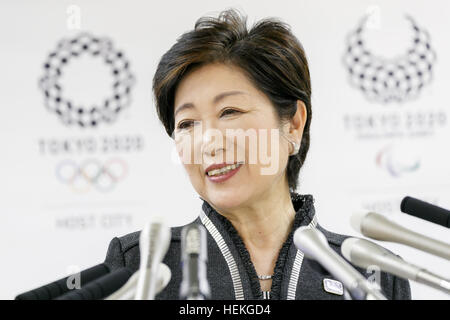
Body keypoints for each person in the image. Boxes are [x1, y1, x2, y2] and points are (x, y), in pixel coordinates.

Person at [104, 8, 411, 300]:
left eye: (230, 111)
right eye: (187, 124)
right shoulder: (143, 266)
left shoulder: (374, 272)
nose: (208, 143)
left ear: (293, 125)